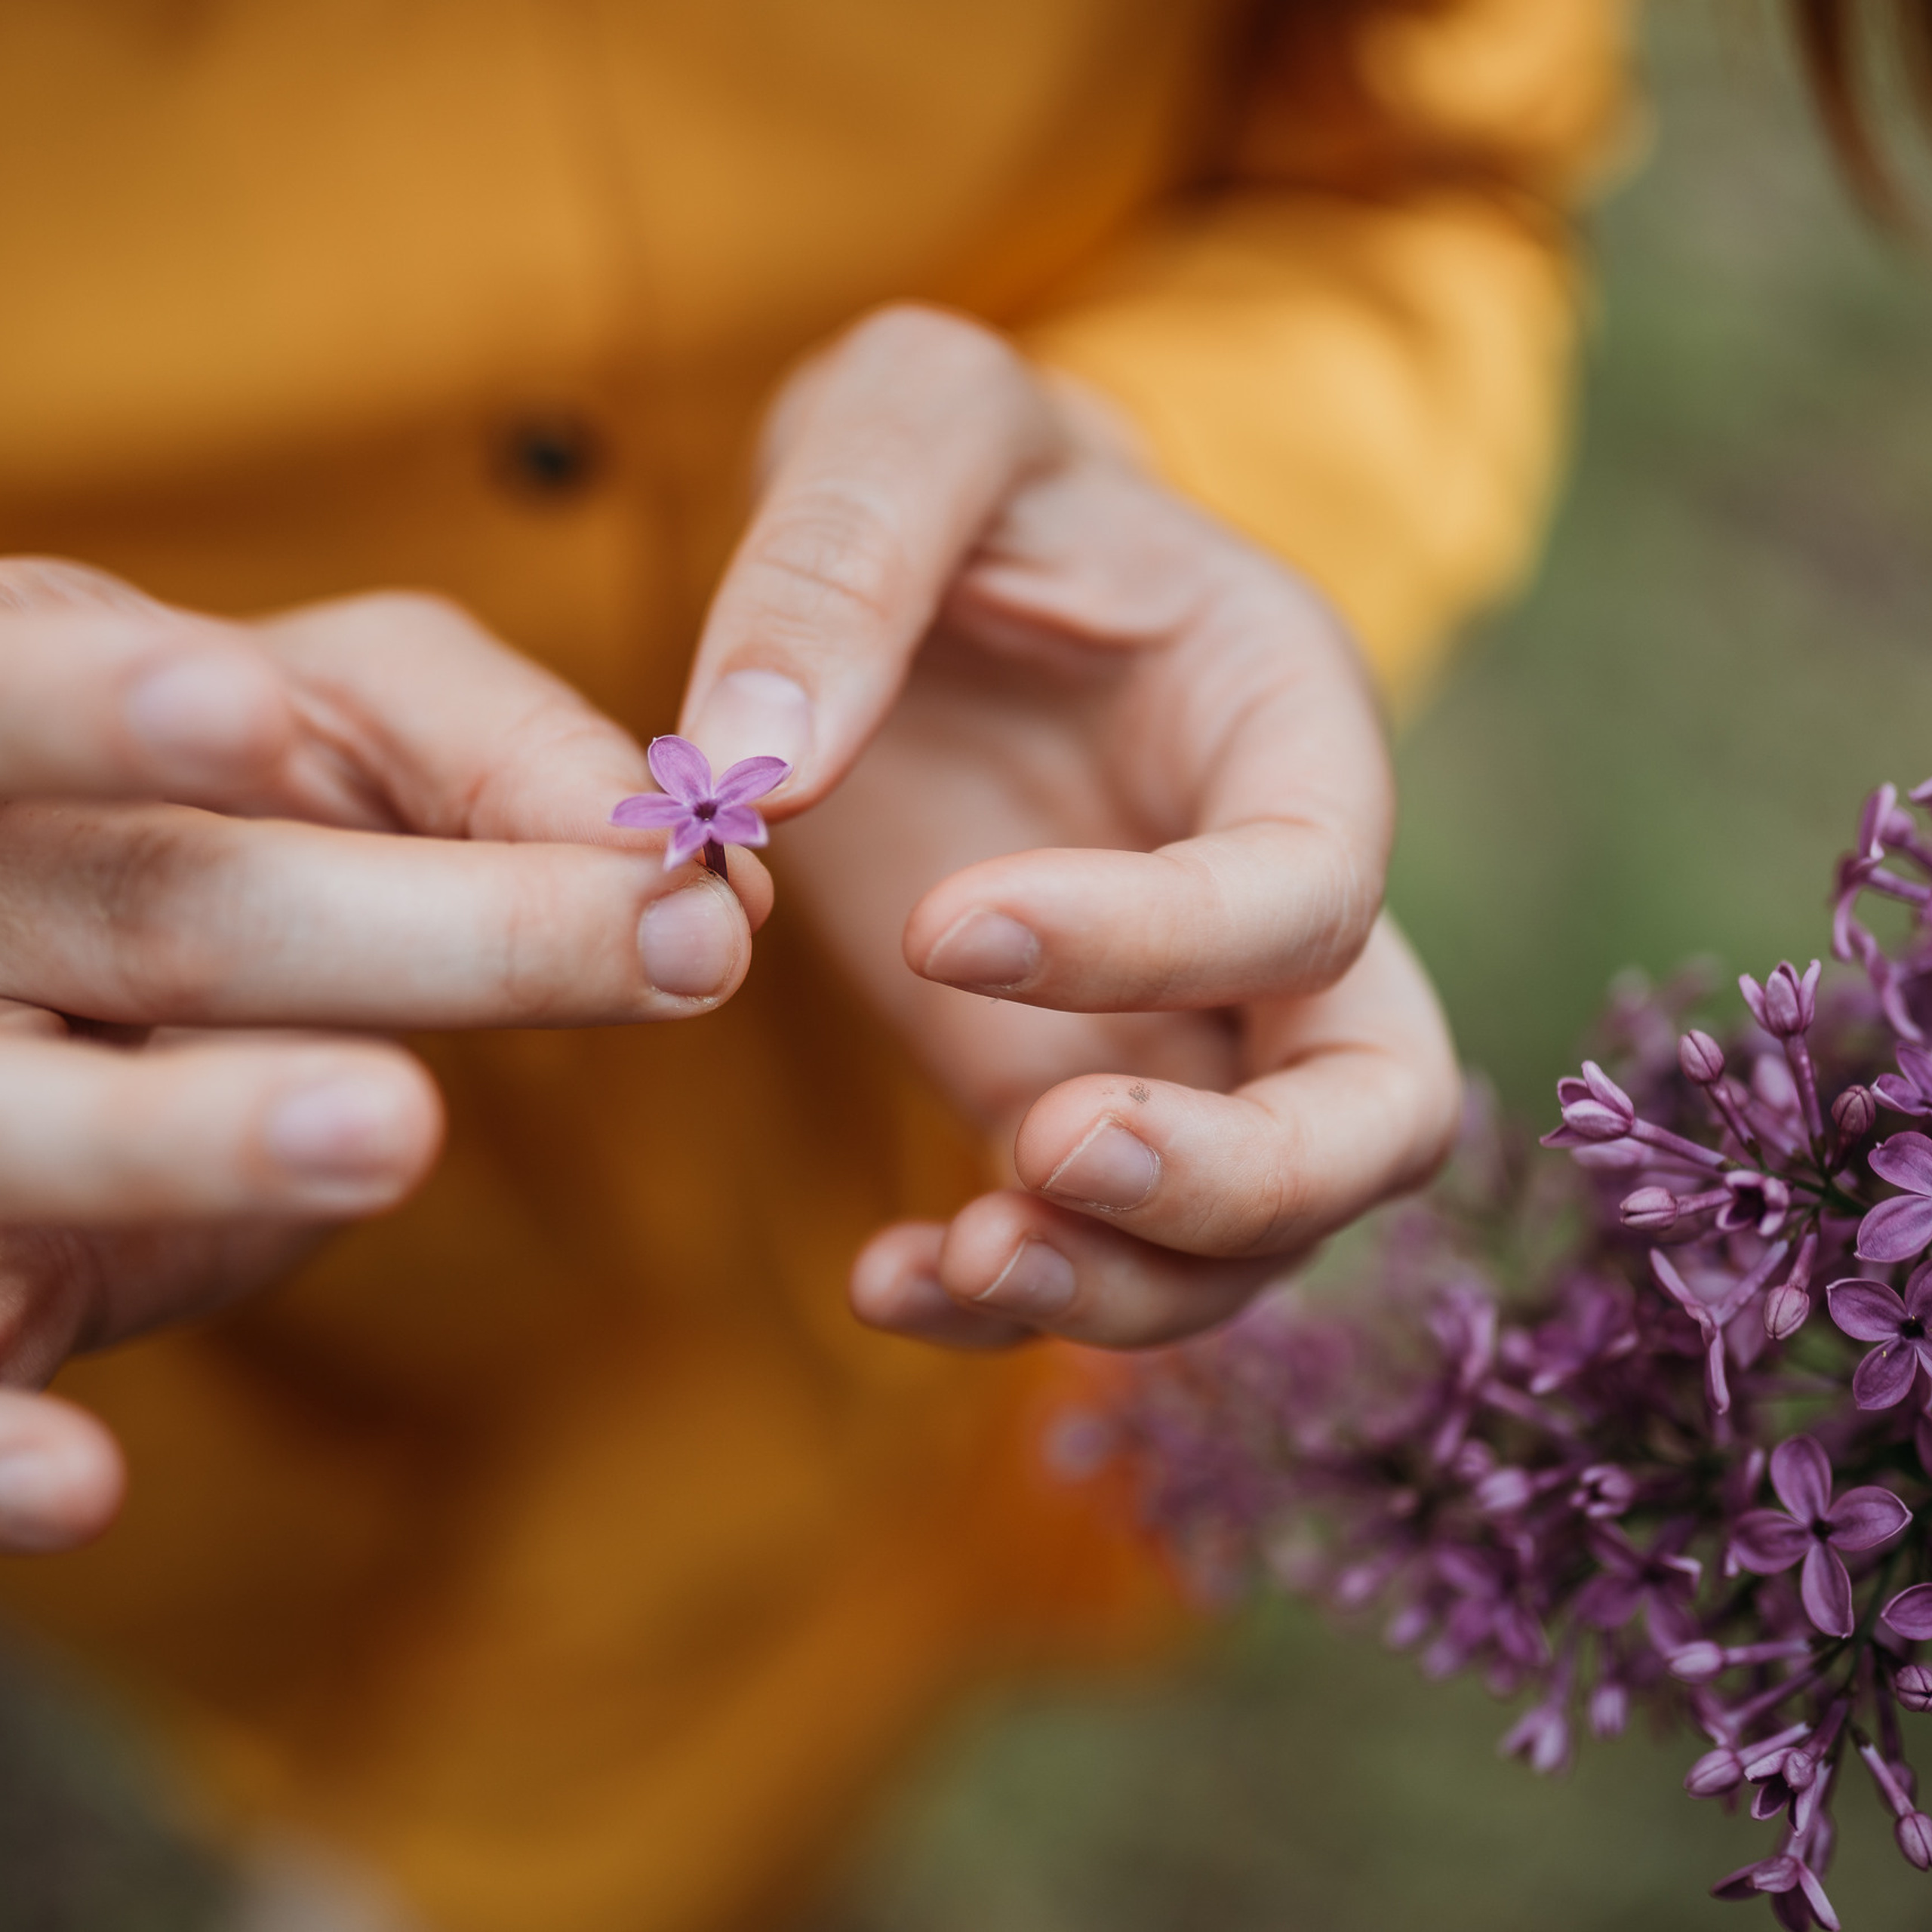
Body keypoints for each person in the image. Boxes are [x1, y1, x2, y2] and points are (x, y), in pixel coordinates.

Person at [0, 3, 1629, 1927]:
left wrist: (1160, 465)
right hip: (130, 1188)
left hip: (871, 1163)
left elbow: (1417, 180)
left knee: (666, 1773)